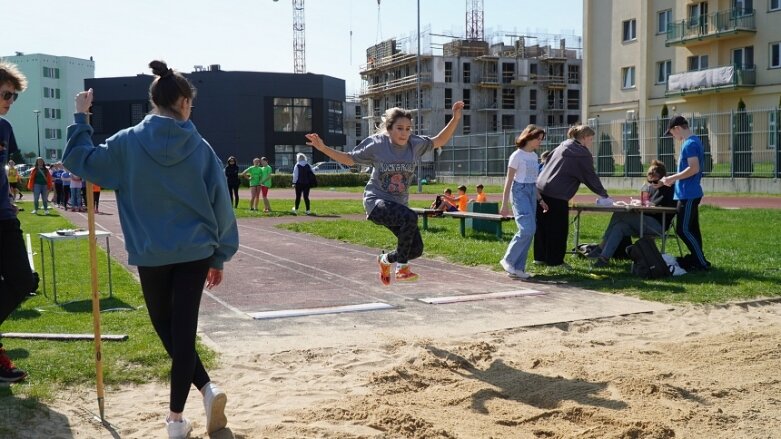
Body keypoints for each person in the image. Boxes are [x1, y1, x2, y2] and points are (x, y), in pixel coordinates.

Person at [64, 60, 238, 438]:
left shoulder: (127, 142)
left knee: (169, 331)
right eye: (190, 102)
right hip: (195, 251)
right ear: (181, 102)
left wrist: (81, 118)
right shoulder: (200, 145)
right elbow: (220, 201)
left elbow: (80, 161)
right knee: (181, 331)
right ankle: (204, 393)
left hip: (151, 252)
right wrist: (220, 253)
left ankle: (178, 418)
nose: (192, 109)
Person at [305, 100, 465, 285]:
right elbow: (349, 160)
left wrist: (455, 118)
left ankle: (385, 260)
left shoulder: (415, 144)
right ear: (389, 129)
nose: (404, 133)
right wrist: (323, 148)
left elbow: (440, 140)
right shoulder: (377, 144)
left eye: (408, 128)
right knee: (410, 217)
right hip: (376, 203)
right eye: (399, 128)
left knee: (415, 250)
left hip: (398, 206)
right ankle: (402, 269)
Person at [0, 61, 39, 383]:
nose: (10, 102)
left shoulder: (5, 129)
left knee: (24, 281)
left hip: (3, 217)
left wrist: (8, 198)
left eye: (14, 97)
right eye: (5, 95)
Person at [534, 125, 613, 267]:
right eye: (590, 138)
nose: (591, 142)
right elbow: (590, 176)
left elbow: (546, 162)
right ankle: (555, 261)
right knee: (558, 229)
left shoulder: (562, 145)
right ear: (584, 138)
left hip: (540, 188)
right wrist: (604, 195)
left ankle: (540, 258)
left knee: (542, 226)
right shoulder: (582, 153)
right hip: (558, 193)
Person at [589, 160, 676, 267]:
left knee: (620, 214)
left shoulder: (670, 188)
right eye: (650, 182)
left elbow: (668, 208)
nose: (652, 184)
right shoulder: (650, 188)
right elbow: (647, 204)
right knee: (619, 227)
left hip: (658, 224)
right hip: (644, 221)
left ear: (663, 178)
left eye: (655, 182)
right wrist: (639, 205)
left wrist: (652, 207)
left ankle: (600, 248)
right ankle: (603, 259)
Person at [661, 115, 711, 271]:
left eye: (672, 133)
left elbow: (693, 168)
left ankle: (701, 262)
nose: (673, 137)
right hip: (688, 192)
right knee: (692, 229)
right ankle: (697, 260)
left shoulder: (689, 144)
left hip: (688, 194)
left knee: (683, 229)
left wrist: (672, 178)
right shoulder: (693, 142)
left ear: (677, 128)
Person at [499, 125, 547, 279]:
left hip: (531, 193)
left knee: (530, 230)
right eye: (538, 139)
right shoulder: (516, 156)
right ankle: (508, 259)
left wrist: (540, 200)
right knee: (527, 228)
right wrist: (504, 203)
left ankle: (518, 268)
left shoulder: (534, 156)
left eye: (541, 139)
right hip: (518, 192)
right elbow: (509, 180)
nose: (540, 142)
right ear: (529, 137)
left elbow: (533, 182)